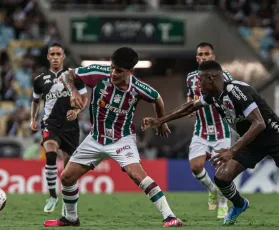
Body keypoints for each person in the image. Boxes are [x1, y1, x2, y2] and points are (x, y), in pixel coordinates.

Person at [142, 60, 279, 225]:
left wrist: (232, 151)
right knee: (221, 177)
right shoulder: (213, 95)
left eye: (200, 80)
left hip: (274, 135)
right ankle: (240, 204)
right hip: (252, 141)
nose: (198, 85)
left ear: (211, 79)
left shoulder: (237, 91)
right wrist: (162, 120)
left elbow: (259, 123)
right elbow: (191, 107)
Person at [43, 47, 183, 227]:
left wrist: (162, 121)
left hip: (122, 139)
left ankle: (170, 217)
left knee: (137, 175)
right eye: (112, 67)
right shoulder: (98, 73)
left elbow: (157, 98)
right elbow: (67, 75)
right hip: (95, 137)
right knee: (67, 178)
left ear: (130, 71)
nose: (113, 73)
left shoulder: (138, 88)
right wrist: (74, 91)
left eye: (119, 71)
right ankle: (71, 218)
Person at [30, 42, 88, 214]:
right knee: (50, 151)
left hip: (70, 127)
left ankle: (67, 206)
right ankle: (52, 196)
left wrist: (77, 111)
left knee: (69, 172)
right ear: (48, 57)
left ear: (63, 57)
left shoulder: (73, 76)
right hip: (50, 124)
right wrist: (33, 119)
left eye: (58, 54)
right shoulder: (40, 80)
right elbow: (35, 101)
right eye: (52, 54)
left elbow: (84, 98)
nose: (55, 57)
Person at [186, 42, 231, 218]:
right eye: (201, 55)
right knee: (196, 167)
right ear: (197, 58)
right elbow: (190, 96)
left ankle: (222, 203)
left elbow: (232, 97)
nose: (204, 57)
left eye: (207, 54)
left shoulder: (225, 77)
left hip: (222, 129)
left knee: (222, 172)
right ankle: (212, 190)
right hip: (201, 128)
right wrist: (191, 107)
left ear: (213, 57)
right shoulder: (190, 78)